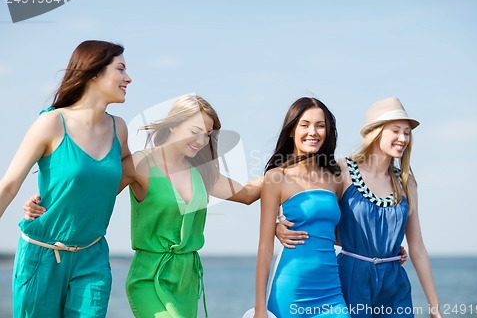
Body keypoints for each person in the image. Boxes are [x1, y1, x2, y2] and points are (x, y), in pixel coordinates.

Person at [24, 94, 263, 318]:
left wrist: (287, 169)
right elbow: (92, 195)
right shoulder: (140, 164)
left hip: (187, 279)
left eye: (207, 134)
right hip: (149, 276)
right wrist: (41, 202)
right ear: (173, 126)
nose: (201, 141)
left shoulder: (203, 173)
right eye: (195, 131)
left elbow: (249, 194)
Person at [0, 40, 132, 317]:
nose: (128, 78)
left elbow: (122, 176)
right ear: (94, 73)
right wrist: (51, 202)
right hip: (41, 255)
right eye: (120, 69)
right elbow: (9, 185)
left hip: (92, 256)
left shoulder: (118, 128)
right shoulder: (51, 122)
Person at [277, 97, 442, 318]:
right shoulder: (342, 170)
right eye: (396, 131)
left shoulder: (406, 181)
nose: (403, 138)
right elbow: (304, 197)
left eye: (407, 132)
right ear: (376, 132)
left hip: (394, 285)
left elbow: (417, 247)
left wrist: (435, 308)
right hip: (350, 279)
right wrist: (277, 224)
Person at [254, 97, 350, 318]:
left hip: (332, 293)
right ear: (291, 130)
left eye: (320, 125)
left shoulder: (335, 179)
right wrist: (260, 308)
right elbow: (265, 248)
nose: (313, 132)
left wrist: (386, 248)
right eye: (304, 125)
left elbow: (337, 235)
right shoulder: (276, 177)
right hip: (291, 291)